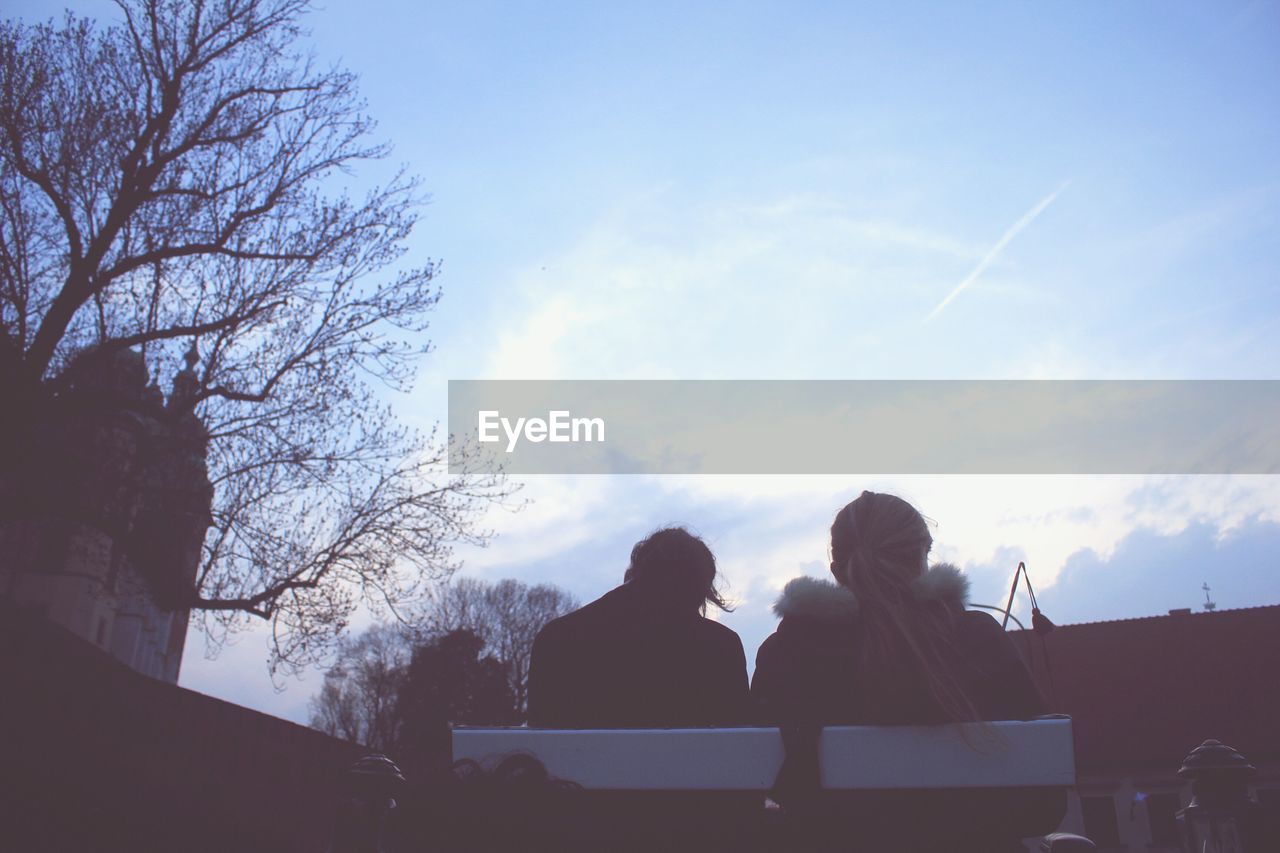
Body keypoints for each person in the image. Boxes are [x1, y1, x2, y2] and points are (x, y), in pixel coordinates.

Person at [751, 491, 1066, 853]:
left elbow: (777, 785)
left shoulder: (787, 652)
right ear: (921, 558)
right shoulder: (977, 638)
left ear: (838, 570)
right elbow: (1044, 804)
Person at [527, 526, 750, 728]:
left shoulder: (559, 638)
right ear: (702, 588)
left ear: (636, 570)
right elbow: (738, 742)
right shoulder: (720, 647)